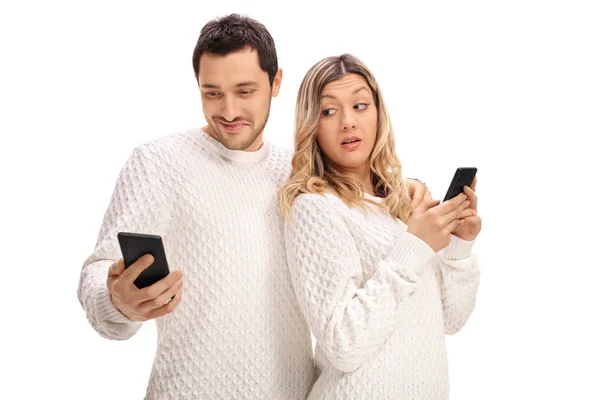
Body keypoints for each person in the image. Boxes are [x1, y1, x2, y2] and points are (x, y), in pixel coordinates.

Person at [76, 14, 431, 399]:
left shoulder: (298, 177)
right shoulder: (157, 164)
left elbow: (360, 197)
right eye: (212, 93)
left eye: (245, 91)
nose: (228, 111)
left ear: (276, 82)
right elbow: (99, 273)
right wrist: (117, 302)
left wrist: (403, 187)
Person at [279, 53, 481, 399]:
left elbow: (450, 321)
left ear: (378, 113)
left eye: (360, 105)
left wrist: (458, 248)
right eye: (329, 111)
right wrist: (414, 246)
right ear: (312, 124)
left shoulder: (403, 205)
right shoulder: (314, 208)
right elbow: (343, 345)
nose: (347, 122)